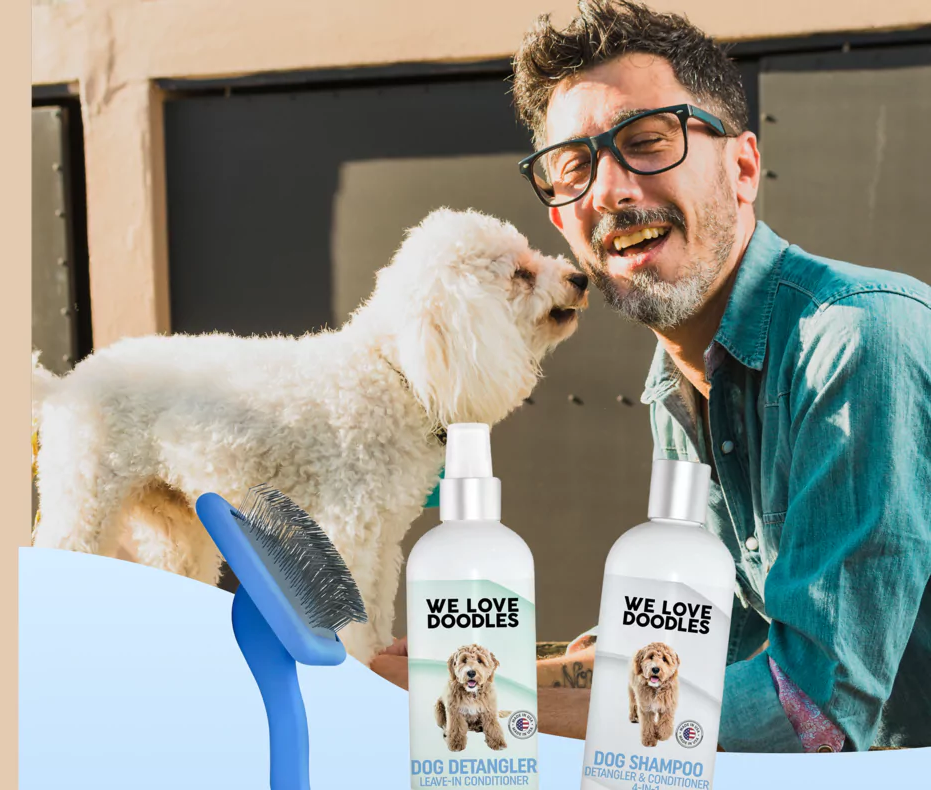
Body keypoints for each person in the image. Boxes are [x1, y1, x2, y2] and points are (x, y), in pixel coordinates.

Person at [370, 0, 931, 752]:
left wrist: (484, 699)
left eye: (646, 142)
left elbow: (811, 714)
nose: (609, 191)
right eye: (574, 167)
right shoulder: (678, 383)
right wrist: (483, 667)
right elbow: (703, 637)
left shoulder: (857, 343)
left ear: (742, 167)